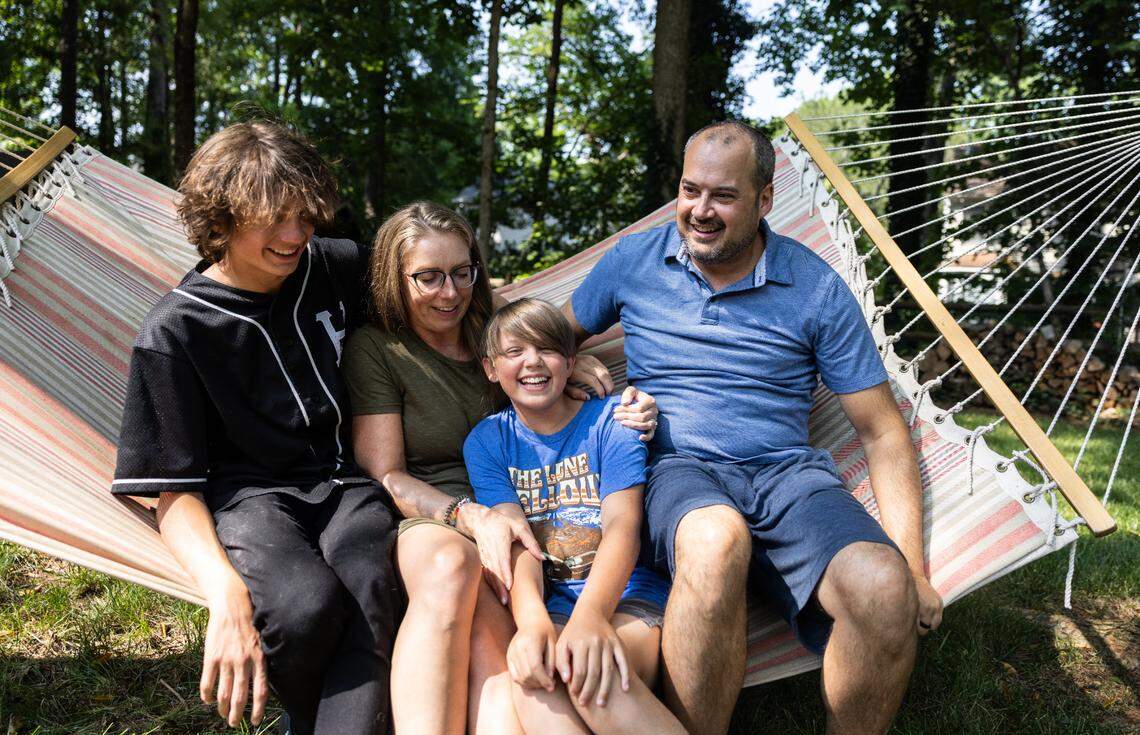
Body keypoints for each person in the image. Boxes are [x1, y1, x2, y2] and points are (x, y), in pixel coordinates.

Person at [561, 120, 945, 735]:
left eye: (724, 196)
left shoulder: (815, 286)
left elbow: (882, 432)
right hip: (676, 471)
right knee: (716, 540)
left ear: (765, 200)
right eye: (690, 191)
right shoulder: (634, 259)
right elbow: (544, 341)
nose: (700, 211)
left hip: (788, 477)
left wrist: (915, 570)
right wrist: (572, 356)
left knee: (882, 589)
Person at [112, 120, 400, 734]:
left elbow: (442, 301)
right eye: (273, 218)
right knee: (302, 608)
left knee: (373, 581)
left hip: (346, 483)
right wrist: (223, 593)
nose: (295, 235)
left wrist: (560, 346)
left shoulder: (335, 265)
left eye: (305, 215)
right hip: (248, 500)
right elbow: (173, 491)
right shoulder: (176, 332)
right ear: (219, 221)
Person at [343, 202, 657, 735]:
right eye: (428, 278)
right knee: (455, 574)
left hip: (532, 507)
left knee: (520, 679)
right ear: (395, 280)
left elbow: (537, 343)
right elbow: (388, 476)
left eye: (462, 273)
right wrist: (470, 516)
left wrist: (569, 362)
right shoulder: (379, 348)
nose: (450, 292)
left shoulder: (487, 313)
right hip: (436, 509)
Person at [462, 298, 684, 735]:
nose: (532, 362)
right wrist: (532, 624)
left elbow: (623, 527)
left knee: (581, 673)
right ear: (491, 368)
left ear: (570, 360)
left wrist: (592, 617)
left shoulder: (612, 421)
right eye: (514, 352)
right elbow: (515, 538)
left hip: (625, 600)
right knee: (530, 684)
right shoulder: (487, 441)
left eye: (546, 349)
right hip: (553, 609)